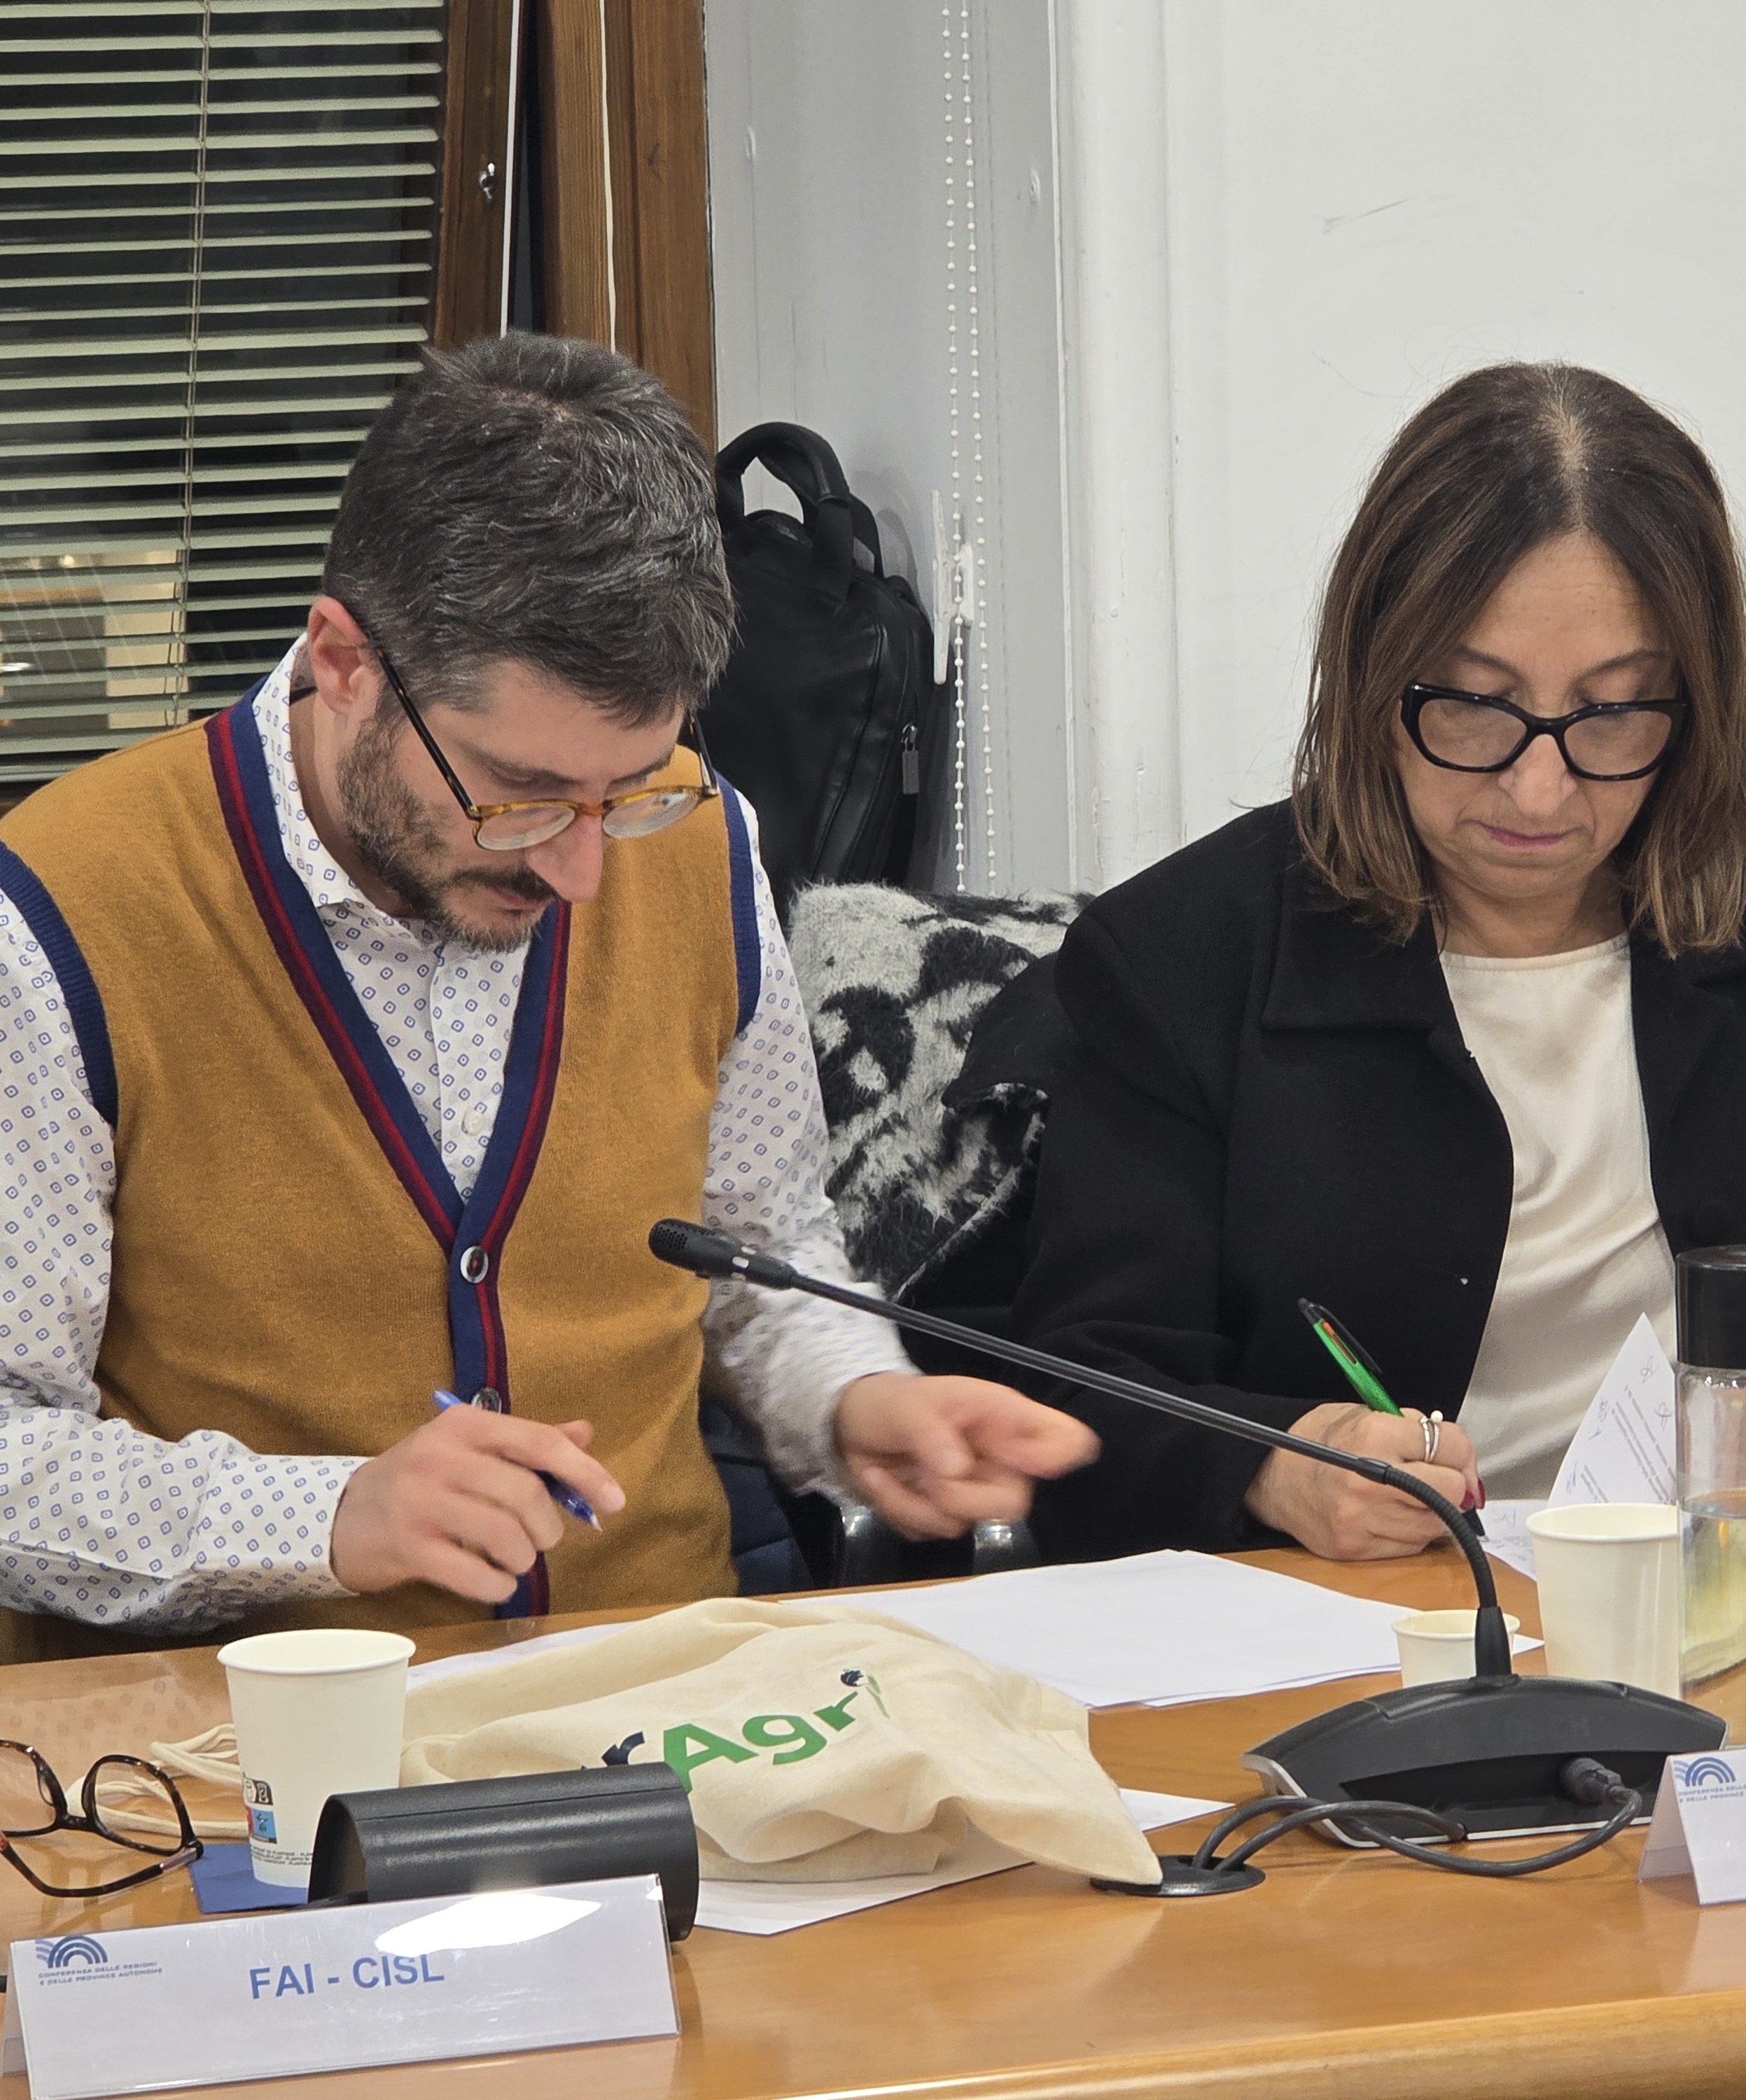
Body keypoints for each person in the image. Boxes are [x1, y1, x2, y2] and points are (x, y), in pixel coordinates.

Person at [0, 335, 1095, 1658]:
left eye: (625, 792)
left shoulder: (701, 841)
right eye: (519, 796)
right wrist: (323, 1518)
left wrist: (857, 1399)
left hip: (663, 1686)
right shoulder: (59, 917)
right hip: (246, 1737)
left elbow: (762, 1253)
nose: (582, 870)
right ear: (343, 662)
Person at [1007, 362, 1746, 1562]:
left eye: (1613, 714)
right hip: (1378, 1609)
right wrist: (1276, 1464)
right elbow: (1079, 1392)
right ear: (1373, 681)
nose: (1540, 790)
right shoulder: (1183, 954)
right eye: (1476, 707)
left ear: (1696, 708)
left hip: (1717, 1585)